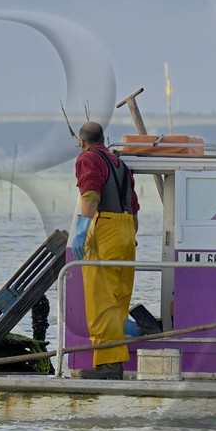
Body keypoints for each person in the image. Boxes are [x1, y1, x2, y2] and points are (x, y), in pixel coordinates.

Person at [72, 120, 140, 379]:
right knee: (119, 297)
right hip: (126, 231)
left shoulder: (87, 158)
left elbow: (90, 195)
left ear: (82, 141)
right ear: (103, 138)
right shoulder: (120, 163)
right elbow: (134, 207)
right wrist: (129, 237)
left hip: (107, 229)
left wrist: (81, 230)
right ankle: (115, 363)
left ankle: (109, 367)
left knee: (102, 301)